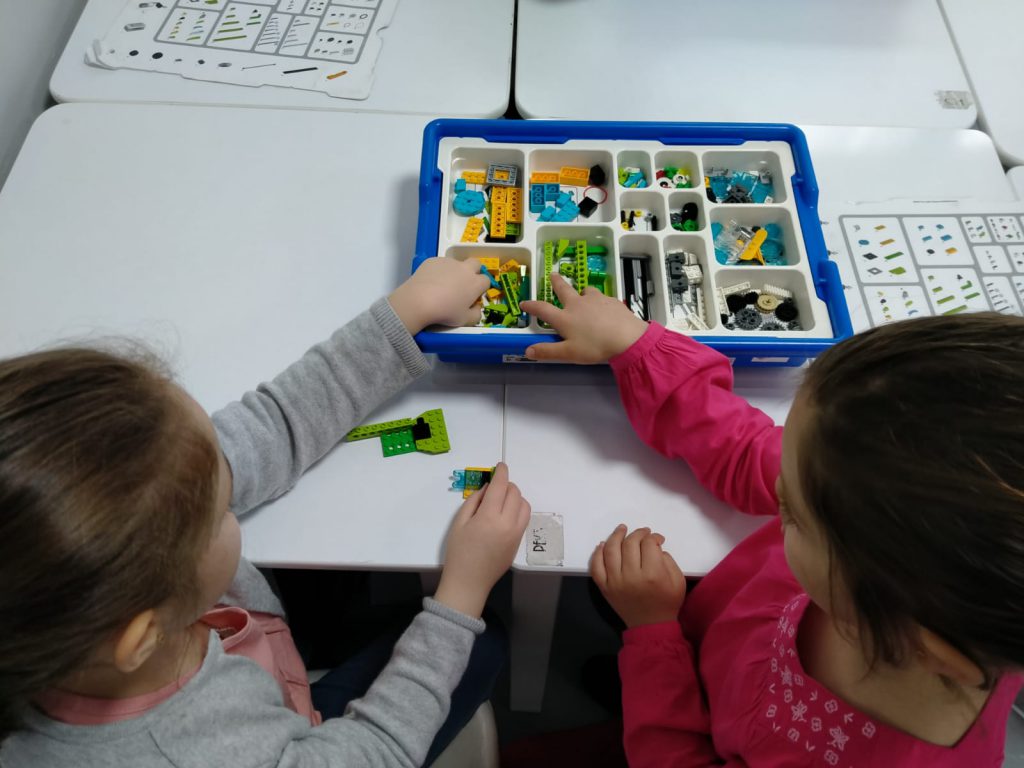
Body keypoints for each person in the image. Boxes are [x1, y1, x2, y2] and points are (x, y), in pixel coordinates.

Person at [0, 256, 531, 768]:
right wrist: (461, 595)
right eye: (219, 511)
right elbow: (378, 751)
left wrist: (401, 317)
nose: (231, 475)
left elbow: (273, 423)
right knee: (486, 641)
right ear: (142, 637)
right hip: (303, 728)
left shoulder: (103, 553)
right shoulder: (214, 752)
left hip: (266, 643)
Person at [520, 274, 1024, 766]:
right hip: (706, 637)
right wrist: (640, 349)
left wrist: (653, 636)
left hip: (679, 678)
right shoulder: (919, 579)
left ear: (925, 647)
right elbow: (748, 449)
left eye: (791, 512)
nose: (777, 486)